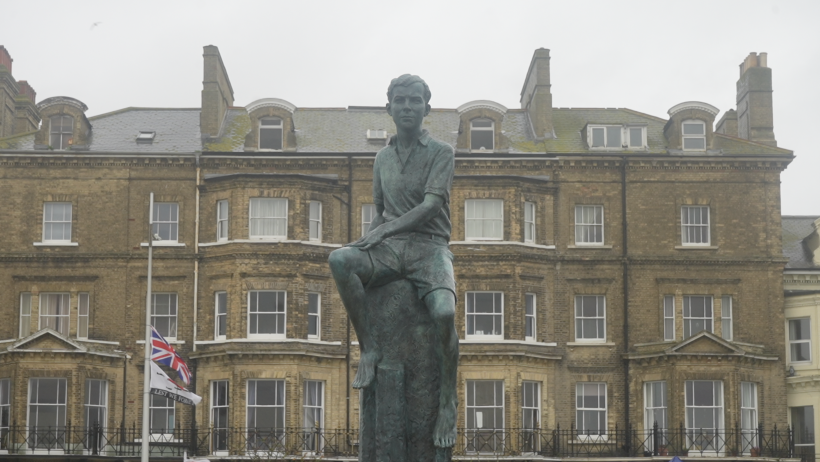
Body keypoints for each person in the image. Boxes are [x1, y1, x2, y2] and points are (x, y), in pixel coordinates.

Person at [328, 74, 457, 448]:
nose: (406, 106)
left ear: (426, 108)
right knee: (340, 261)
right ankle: (369, 348)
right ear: (389, 108)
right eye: (399, 100)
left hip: (429, 247)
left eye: (414, 100)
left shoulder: (441, 152)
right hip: (390, 249)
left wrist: (381, 232)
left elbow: (431, 206)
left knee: (445, 313)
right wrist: (367, 240)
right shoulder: (382, 157)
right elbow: (381, 213)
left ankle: (447, 398)